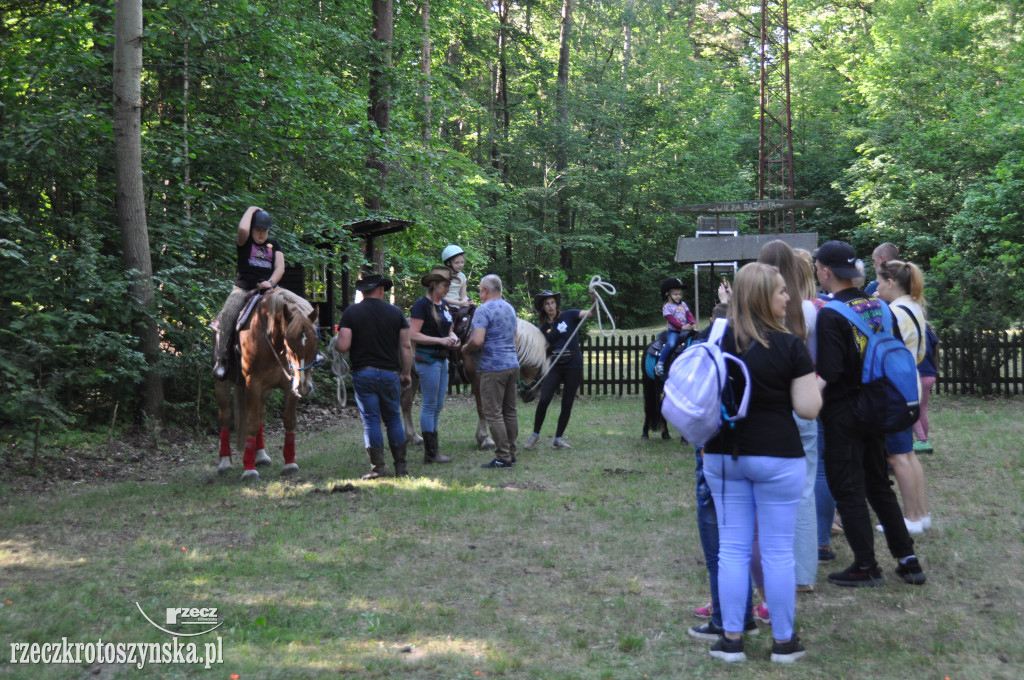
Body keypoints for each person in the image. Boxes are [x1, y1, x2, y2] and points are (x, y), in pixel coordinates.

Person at [700, 262, 820, 664]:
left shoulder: (716, 339)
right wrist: (816, 383)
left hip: (723, 454)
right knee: (777, 552)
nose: (789, 297)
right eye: (782, 291)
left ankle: (731, 640)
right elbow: (807, 409)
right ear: (762, 297)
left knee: (732, 550)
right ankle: (784, 642)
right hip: (777, 457)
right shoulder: (790, 346)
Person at [814, 240, 927, 587]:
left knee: (848, 488)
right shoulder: (879, 306)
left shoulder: (830, 314)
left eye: (818, 267)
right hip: (878, 407)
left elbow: (830, 372)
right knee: (879, 485)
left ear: (826, 271)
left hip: (844, 414)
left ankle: (865, 564)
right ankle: (908, 560)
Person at [687, 301, 760, 643]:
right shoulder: (774, 341)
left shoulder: (713, 342)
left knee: (720, 547)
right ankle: (743, 614)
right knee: (742, 543)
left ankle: (723, 619)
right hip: (756, 453)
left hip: (717, 452)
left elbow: (692, 398)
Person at [757, 240, 821, 594]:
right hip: (804, 405)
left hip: (771, 409)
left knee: (766, 494)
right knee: (805, 490)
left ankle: (771, 567)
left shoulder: (756, 313)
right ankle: (803, 573)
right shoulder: (810, 311)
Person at [336, 273, 413, 480]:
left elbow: (343, 345)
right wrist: (406, 373)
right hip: (390, 374)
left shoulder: (351, 313)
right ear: (380, 290)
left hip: (364, 374)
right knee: (393, 418)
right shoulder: (396, 313)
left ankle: (378, 468)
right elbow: (405, 346)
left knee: (371, 421)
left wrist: (336, 339)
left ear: (363, 292)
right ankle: (401, 468)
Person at [874, 259, 931, 532]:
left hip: (895, 390)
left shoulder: (894, 311)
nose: (877, 287)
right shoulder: (915, 307)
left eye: (879, 282)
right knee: (907, 454)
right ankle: (920, 513)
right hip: (911, 385)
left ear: (890, 283)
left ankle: (910, 519)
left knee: (897, 457)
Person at [212, 206, 284, 380]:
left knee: (296, 306)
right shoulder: (245, 242)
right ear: (252, 230)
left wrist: (271, 282)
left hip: (269, 290)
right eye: (258, 230)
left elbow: (280, 266)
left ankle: (307, 355)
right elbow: (242, 229)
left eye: (264, 231)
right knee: (227, 316)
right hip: (243, 289)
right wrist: (251, 209)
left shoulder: (274, 244)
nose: (261, 234)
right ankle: (220, 360)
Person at [523, 290, 595, 451]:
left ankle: (558, 438)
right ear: (543, 307)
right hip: (555, 365)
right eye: (547, 304)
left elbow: (591, 314)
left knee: (567, 402)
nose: (550, 306)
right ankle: (535, 434)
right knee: (544, 399)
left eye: (552, 303)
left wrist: (593, 300)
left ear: (556, 304)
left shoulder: (569, 315)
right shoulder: (542, 330)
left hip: (573, 363)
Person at [462, 274, 520, 468]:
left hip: (492, 368)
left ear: (485, 291)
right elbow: (516, 339)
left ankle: (502, 457)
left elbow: (477, 340)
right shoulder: (510, 309)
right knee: (510, 411)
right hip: (512, 365)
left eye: (480, 290)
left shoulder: (483, 309)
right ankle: (511, 452)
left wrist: (466, 348)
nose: (480, 294)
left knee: (494, 413)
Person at [409, 266, 461, 465]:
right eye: (444, 285)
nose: (447, 289)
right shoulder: (421, 305)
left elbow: (449, 330)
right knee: (430, 405)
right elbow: (413, 334)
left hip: (442, 359)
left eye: (448, 285)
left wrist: (453, 338)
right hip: (427, 359)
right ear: (433, 285)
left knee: (438, 405)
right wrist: (440, 342)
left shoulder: (444, 305)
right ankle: (430, 453)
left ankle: (434, 450)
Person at [655, 277, 696, 378]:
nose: (678, 296)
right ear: (667, 294)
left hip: (686, 328)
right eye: (675, 294)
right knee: (672, 344)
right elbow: (672, 321)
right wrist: (682, 327)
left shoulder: (683, 304)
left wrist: (691, 322)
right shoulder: (666, 307)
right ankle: (660, 363)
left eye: (680, 294)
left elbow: (688, 314)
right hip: (674, 331)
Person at [913, 325, 939, 453]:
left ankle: (921, 440)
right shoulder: (928, 332)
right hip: (930, 375)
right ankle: (924, 441)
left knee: (911, 409)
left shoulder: (910, 331)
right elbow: (934, 354)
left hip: (917, 375)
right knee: (922, 408)